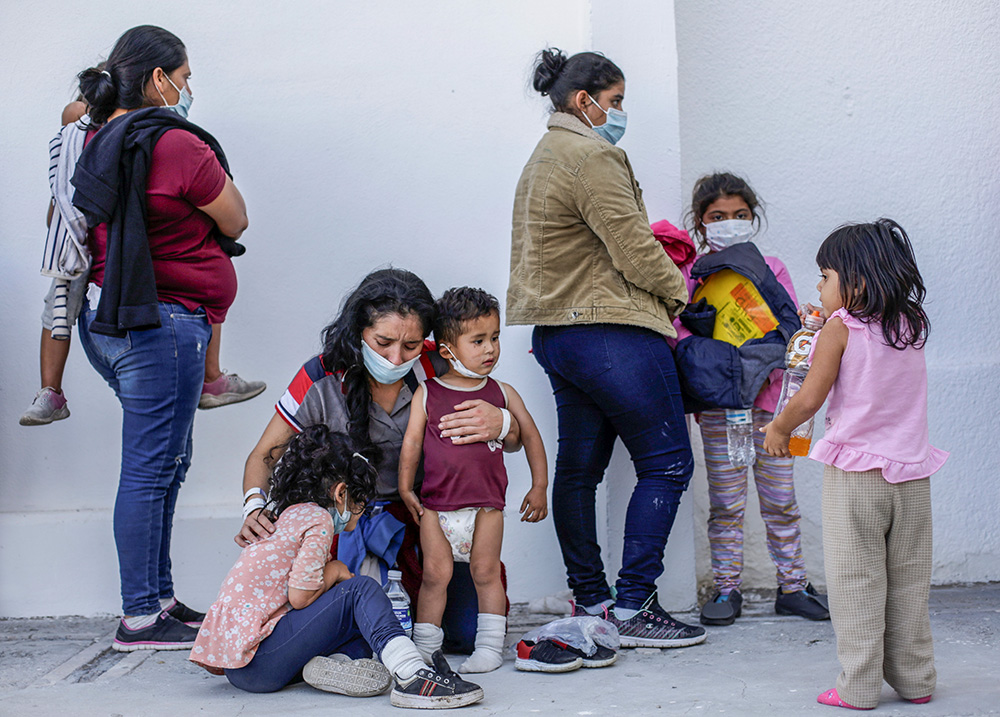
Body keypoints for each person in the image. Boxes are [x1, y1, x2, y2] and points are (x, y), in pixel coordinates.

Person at [507, 48, 705, 648]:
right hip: (610, 330)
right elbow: (636, 247)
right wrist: (680, 296)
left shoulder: (545, 155)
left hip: (560, 337)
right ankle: (635, 607)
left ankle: (592, 600)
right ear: (582, 100)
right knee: (668, 461)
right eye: (614, 102)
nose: (619, 113)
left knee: (579, 471)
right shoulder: (592, 153)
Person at [71, 25, 252, 650]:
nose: (188, 88)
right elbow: (236, 216)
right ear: (158, 81)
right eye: (184, 76)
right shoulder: (173, 144)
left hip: (112, 322)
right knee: (151, 470)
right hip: (163, 326)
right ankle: (140, 616)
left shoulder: (93, 135)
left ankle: (159, 599)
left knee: (166, 467)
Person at [237, 268, 513, 650]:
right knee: (344, 627)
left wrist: (504, 422)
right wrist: (254, 508)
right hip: (345, 526)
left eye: (411, 345)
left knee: (465, 633)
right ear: (358, 331)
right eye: (383, 342)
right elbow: (263, 456)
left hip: (427, 522)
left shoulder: (440, 365)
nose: (396, 357)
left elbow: (511, 439)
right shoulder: (319, 376)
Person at [763, 219, 948, 710]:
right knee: (909, 580)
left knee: (857, 581)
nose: (818, 288)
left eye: (824, 277)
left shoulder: (841, 330)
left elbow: (809, 399)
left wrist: (779, 428)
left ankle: (860, 687)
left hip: (857, 480)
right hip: (912, 475)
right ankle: (916, 680)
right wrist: (823, 323)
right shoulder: (910, 323)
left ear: (856, 283)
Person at [20, 85, 263, 427]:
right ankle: (50, 390)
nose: (189, 91)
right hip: (103, 278)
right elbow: (71, 121)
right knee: (56, 310)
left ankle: (212, 377)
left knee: (166, 445)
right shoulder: (91, 136)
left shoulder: (150, 140)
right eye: (185, 78)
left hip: (176, 300)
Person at [191, 425, 484, 708]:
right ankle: (412, 677)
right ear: (341, 493)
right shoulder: (318, 519)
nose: (358, 517)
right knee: (361, 590)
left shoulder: (287, 516)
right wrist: (335, 572)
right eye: (361, 505)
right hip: (260, 661)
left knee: (358, 619)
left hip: (240, 665)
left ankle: (335, 667)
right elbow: (300, 598)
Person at [678, 173, 829, 626]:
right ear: (701, 223)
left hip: (772, 404)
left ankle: (794, 585)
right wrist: (720, 357)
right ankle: (726, 590)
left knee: (780, 499)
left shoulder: (771, 267)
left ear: (753, 218)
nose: (730, 223)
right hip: (722, 407)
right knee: (726, 504)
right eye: (718, 216)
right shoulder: (690, 274)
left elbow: (787, 326)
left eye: (740, 215)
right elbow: (681, 331)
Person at [398, 287, 548, 673]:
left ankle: (489, 648)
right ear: (447, 349)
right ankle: (426, 648)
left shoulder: (503, 392)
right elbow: (412, 442)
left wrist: (539, 486)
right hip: (436, 509)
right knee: (435, 576)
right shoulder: (428, 393)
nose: (490, 350)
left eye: (495, 338)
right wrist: (403, 486)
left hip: (486, 509)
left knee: (485, 572)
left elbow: (530, 436)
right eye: (478, 341)